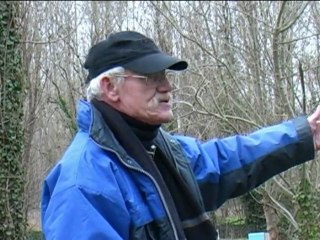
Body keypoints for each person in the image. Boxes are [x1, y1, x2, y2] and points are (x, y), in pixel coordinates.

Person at [40, 30, 320, 240]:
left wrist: (306, 133)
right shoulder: (83, 184)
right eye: (151, 77)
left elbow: (226, 160)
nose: (166, 87)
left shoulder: (160, 151)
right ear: (110, 87)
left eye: (164, 75)